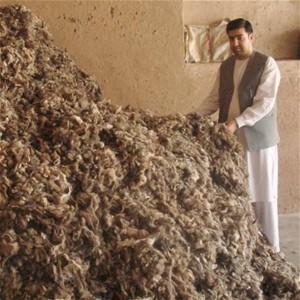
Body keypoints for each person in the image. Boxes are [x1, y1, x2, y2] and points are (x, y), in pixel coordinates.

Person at [196, 18, 281, 252]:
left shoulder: (267, 64)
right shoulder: (226, 66)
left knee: (262, 194)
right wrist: (192, 117)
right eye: (231, 38)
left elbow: (264, 103)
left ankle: (271, 249)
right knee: (236, 191)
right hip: (232, 141)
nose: (235, 43)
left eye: (240, 38)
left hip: (258, 142)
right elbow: (215, 98)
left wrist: (238, 121)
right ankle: (246, 249)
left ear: (251, 37)